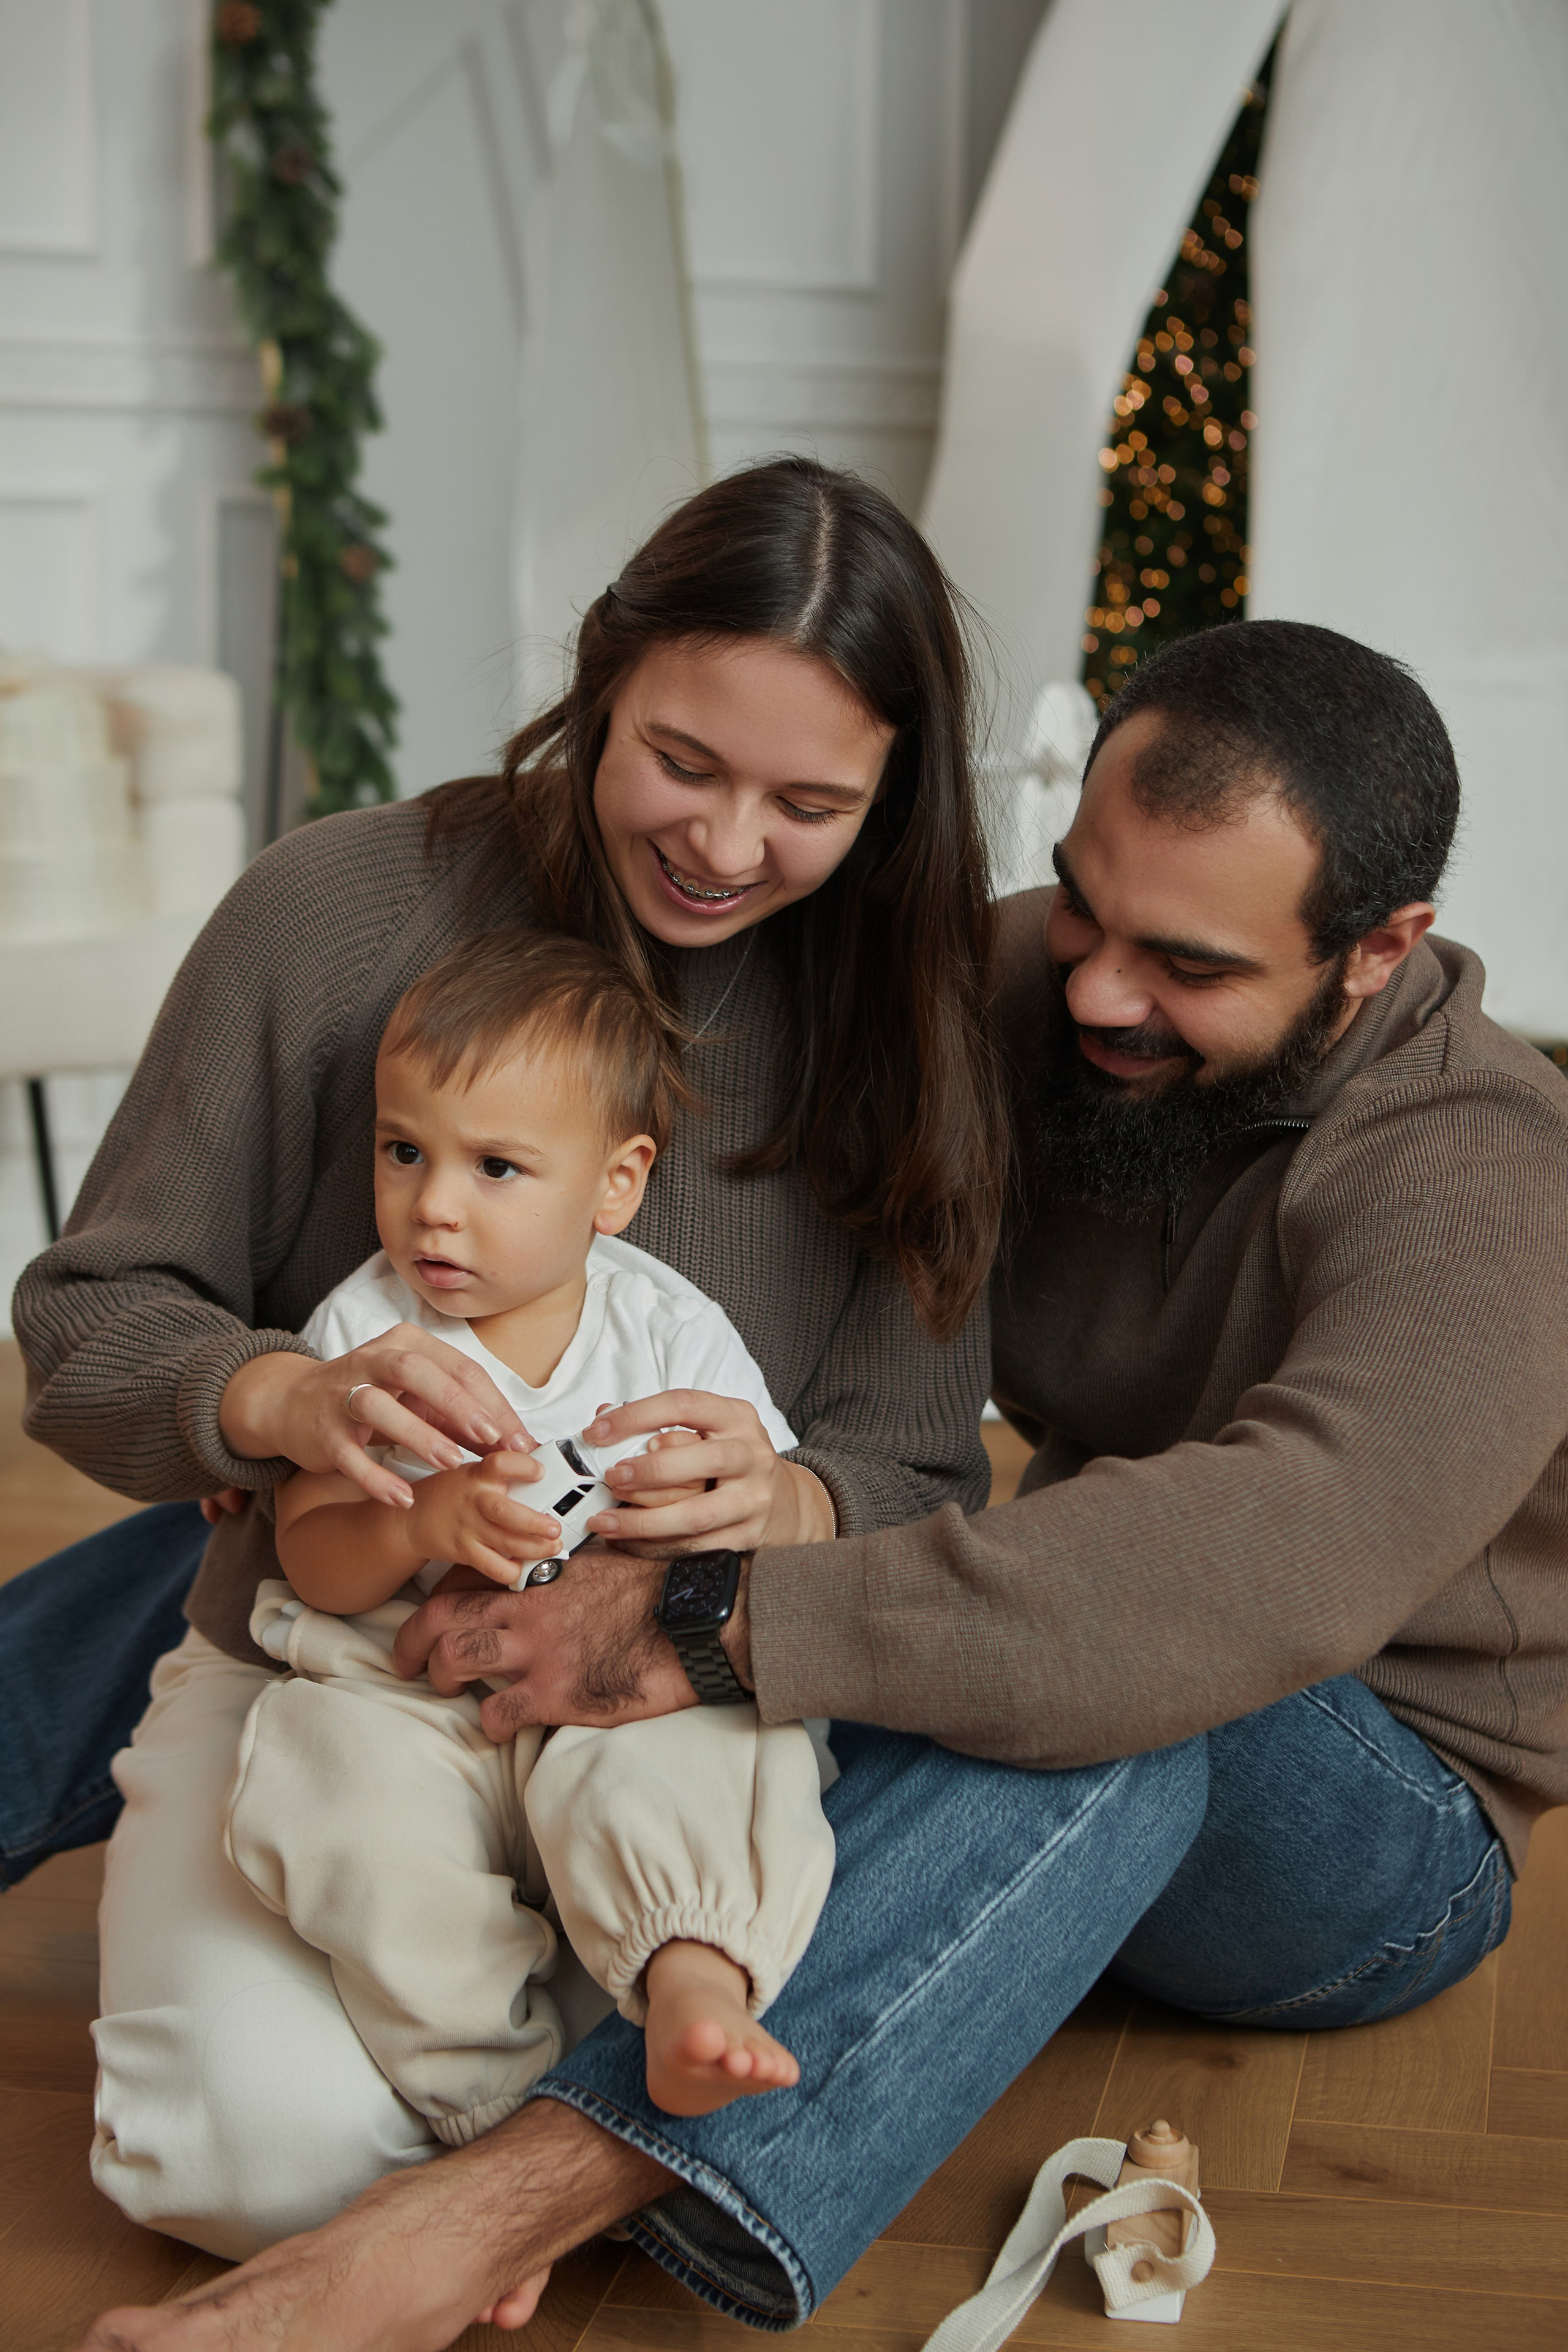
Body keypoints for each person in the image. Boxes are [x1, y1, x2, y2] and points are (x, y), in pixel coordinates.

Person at [61, 614, 1568, 2352]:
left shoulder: (1489, 1179)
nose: (1090, 987)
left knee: (1130, 1681)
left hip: (1371, 1805)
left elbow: (1261, 1579)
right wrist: (307, 1414)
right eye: (1079, 900)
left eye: (1189, 965)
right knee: (427, 1503)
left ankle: (494, 2211)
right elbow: (655, 1219)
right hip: (1072, 1606)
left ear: (1381, 951)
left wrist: (717, 1613)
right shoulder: (1019, 992)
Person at [110, 925, 842, 2225]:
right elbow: (316, 1562)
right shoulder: (365, 1330)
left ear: (614, 1187)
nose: (432, 1205)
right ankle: (488, 2109)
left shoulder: (667, 1326)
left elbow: (754, 1508)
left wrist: (708, 1515)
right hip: (402, 1687)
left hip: (614, 1677)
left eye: (496, 1167)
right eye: (405, 1152)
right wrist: (414, 1525)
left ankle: (690, 1978)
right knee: (331, 1799)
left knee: (714, 1753)